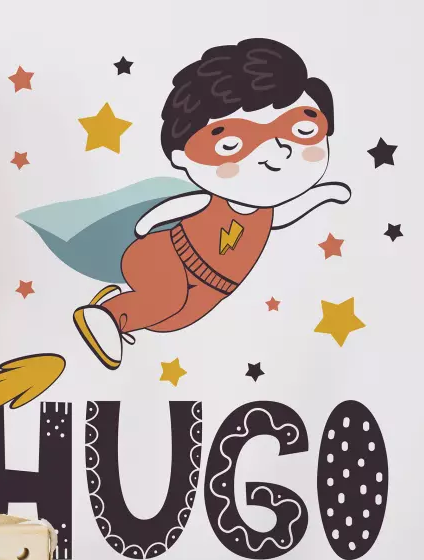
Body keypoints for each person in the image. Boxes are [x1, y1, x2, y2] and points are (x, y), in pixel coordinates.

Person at [74, 38, 351, 370]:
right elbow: (182, 207)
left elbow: (287, 212)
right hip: (166, 257)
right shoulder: (210, 201)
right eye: (231, 144)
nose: (276, 152)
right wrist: (146, 224)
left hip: (211, 288)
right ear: (183, 158)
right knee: (166, 300)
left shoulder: (267, 213)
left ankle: (118, 308)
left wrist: (325, 193)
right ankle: (108, 316)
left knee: (169, 320)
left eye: (302, 129)